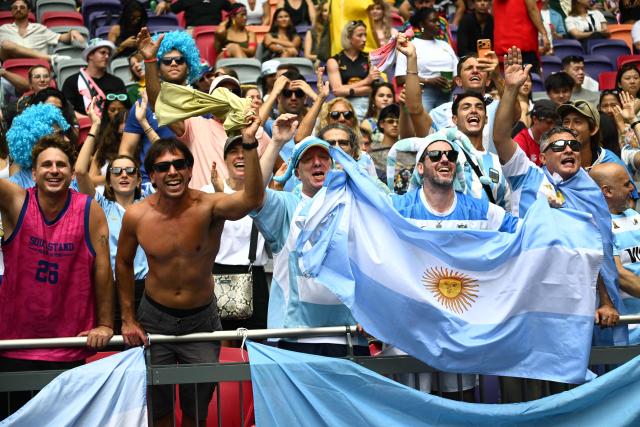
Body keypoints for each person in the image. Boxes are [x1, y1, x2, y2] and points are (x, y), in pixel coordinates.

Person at [117, 111, 264, 425]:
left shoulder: (209, 206)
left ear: (189, 169)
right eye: (162, 167)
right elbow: (124, 263)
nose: (172, 172)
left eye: (179, 164)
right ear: (151, 175)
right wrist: (127, 318)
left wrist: (249, 145)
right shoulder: (137, 216)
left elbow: (252, 198)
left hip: (201, 319)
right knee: (160, 411)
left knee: (196, 411)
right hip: (154, 318)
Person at [493, 46, 620, 325]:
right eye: (558, 145)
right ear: (543, 153)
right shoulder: (527, 175)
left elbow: (594, 249)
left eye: (573, 145)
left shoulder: (590, 187)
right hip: (539, 298)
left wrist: (606, 300)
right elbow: (501, 136)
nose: (568, 150)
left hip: (593, 301)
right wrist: (511, 89)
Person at [0, 133, 113, 417]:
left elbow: (103, 270)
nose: (54, 170)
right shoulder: (16, 202)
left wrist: (106, 324)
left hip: (68, 347)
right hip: (14, 347)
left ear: (72, 171)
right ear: (33, 172)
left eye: (61, 165)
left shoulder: (89, 209)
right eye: (46, 164)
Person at [253, 118, 371, 357]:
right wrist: (276, 143)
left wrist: (372, 312)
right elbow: (253, 194)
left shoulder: (354, 207)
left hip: (348, 335)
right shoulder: (287, 207)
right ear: (296, 171)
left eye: (324, 158)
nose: (317, 163)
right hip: (294, 338)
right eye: (308, 159)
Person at [75, 97, 150, 333]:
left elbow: (170, 159)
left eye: (130, 171)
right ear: (109, 179)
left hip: (149, 288)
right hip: (112, 287)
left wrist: (144, 124)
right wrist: (95, 128)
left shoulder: (151, 201)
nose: (123, 175)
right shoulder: (101, 204)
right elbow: (79, 171)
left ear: (139, 178)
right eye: (116, 171)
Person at [202, 136, 269, 334]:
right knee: (217, 344)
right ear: (224, 159)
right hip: (215, 274)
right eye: (233, 151)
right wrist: (220, 195)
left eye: (245, 151)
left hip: (254, 274)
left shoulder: (266, 195)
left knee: (255, 346)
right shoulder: (207, 192)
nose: (240, 156)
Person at [119, 30, 201, 188]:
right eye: (167, 61)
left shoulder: (202, 103)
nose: (174, 64)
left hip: (194, 181)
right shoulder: (143, 105)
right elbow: (126, 151)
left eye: (179, 60)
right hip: (150, 183)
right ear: (157, 67)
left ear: (189, 64)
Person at [589, 162, 640, 344]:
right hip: (627, 325)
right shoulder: (597, 226)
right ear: (607, 191)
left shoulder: (635, 216)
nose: (633, 188)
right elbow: (618, 274)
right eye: (626, 184)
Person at [395, 8, 457, 111]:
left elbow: (457, 73)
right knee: (424, 126)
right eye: (433, 21)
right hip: (423, 94)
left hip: (448, 95)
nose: (438, 24)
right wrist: (428, 80)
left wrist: (453, 82)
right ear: (422, 24)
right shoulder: (411, 46)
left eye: (438, 20)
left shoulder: (445, 45)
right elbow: (400, 78)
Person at [0, 0, 84, 64]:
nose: (18, 9)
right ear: (11, 11)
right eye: (15, 8)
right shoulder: (3, 29)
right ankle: (51, 58)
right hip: (13, 70)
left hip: (38, 70)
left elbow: (62, 38)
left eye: (22, 7)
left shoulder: (40, 28)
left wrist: (73, 32)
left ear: (29, 10)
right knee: (6, 45)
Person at [328, 20, 379, 120]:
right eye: (360, 35)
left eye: (365, 35)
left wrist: (347, 90)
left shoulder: (370, 58)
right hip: (343, 106)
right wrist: (366, 81)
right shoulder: (334, 61)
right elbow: (337, 91)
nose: (364, 39)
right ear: (348, 38)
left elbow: (371, 90)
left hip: (367, 104)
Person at [61, 38, 127, 116]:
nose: (107, 56)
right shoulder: (72, 82)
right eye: (102, 52)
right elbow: (67, 110)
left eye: (108, 54)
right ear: (90, 55)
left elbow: (123, 110)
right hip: (83, 126)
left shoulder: (117, 82)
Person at [492, 0, 551, 72]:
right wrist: (544, 34)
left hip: (501, 47)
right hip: (523, 47)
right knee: (528, 80)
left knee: (505, 80)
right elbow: (532, 10)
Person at [513, 99, 559, 166]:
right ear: (535, 119)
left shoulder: (555, 138)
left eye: (555, 123)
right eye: (549, 122)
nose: (552, 127)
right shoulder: (520, 142)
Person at [155, 0, 232, 27]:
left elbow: (234, 9)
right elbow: (171, 8)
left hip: (216, 31)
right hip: (193, 31)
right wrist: (164, 3)